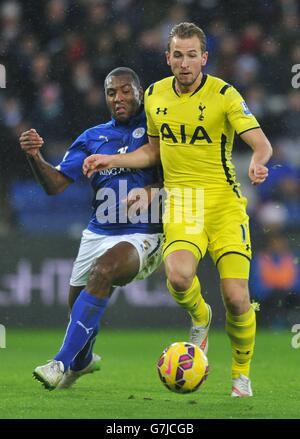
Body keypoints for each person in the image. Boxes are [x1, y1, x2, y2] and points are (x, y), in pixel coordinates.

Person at [83, 23, 273, 397]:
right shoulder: (154, 96)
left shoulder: (225, 95)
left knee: (237, 297)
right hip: (183, 203)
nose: (184, 63)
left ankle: (240, 375)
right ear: (167, 58)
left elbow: (261, 143)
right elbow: (153, 151)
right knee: (180, 278)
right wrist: (107, 159)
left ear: (204, 58)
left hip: (224, 206)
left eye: (191, 55)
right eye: (177, 55)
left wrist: (258, 162)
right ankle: (201, 317)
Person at [19, 67, 163, 390]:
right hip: (98, 232)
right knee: (78, 311)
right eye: (112, 93)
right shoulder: (92, 137)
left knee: (104, 271)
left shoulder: (156, 132)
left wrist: (152, 192)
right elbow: (55, 185)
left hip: (143, 231)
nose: (119, 98)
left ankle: (59, 363)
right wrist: (34, 157)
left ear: (140, 93)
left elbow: (177, 178)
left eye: (126, 90)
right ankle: (82, 361)